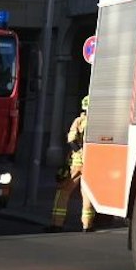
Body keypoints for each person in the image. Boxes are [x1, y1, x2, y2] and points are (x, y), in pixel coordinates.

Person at [49, 97, 95, 231]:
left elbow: (71, 140)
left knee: (63, 191)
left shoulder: (79, 121)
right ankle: (87, 225)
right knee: (87, 193)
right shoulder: (95, 122)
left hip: (77, 163)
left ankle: (57, 224)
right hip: (91, 163)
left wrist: (79, 152)